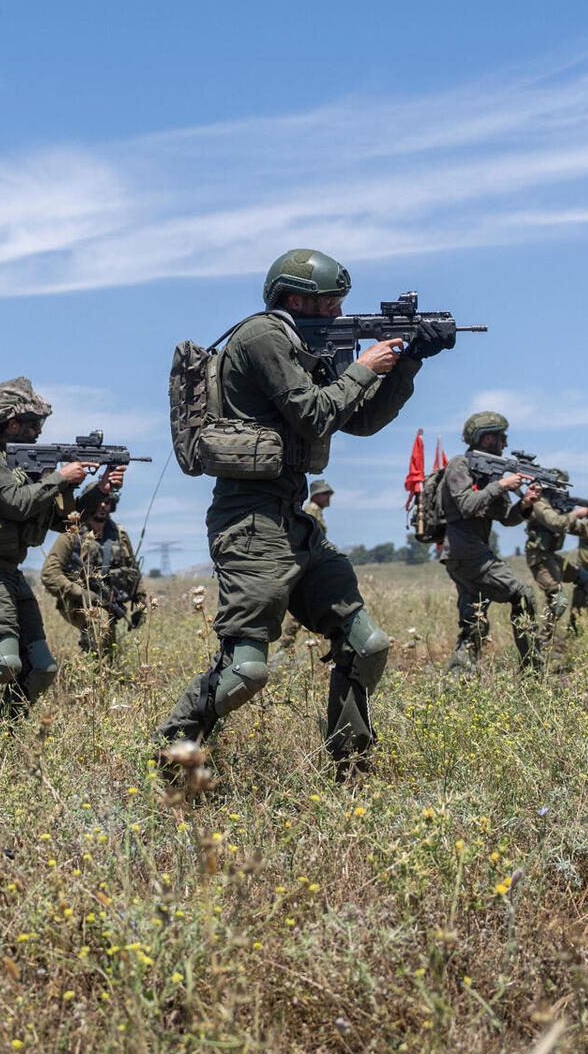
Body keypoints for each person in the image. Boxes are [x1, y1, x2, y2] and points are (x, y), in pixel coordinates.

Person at [156, 249, 451, 776]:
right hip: (249, 522)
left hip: (292, 518)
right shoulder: (264, 337)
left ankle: (349, 770)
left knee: (368, 645)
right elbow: (315, 416)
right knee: (244, 671)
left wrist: (407, 364)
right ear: (296, 299)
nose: (339, 315)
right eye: (332, 305)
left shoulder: (301, 344)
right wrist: (363, 367)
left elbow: (357, 422)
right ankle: (173, 753)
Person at [0, 378, 119, 726]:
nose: (38, 431)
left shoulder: (24, 469)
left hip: (7, 572)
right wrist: (61, 478)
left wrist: (99, 489)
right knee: (4, 662)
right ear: (10, 422)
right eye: (33, 423)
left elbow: (62, 521)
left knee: (43, 668)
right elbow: (16, 504)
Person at [438, 411, 545, 672]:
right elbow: (466, 505)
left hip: (467, 554)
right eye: (501, 437)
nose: (505, 444)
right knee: (523, 596)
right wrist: (502, 485)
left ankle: (458, 680)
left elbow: (506, 518)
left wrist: (526, 502)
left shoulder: (490, 474)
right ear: (487, 439)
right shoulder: (460, 465)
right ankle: (533, 670)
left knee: (474, 620)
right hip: (467, 553)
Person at [40, 479, 145, 656]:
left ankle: (103, 674)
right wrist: (82, 593)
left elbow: (133, 570)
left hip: (111, 601)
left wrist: (141, 605)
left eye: (108, 501)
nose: (103, 505)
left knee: (109, 648)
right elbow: (49, 573)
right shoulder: (72, 535)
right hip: (77, 602)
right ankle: (90, 673)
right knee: (99, 625)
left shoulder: (120, 535)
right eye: (99, 501)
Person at [521, 473, 588, 646]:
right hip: (539, 557)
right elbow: (557, 523)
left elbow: (572, 527)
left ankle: (575, 629)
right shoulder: (539, 503)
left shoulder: (555, 506)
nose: (564, 491)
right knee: (557, 599)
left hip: (551, 556)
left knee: (586, 579)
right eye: (560, 487)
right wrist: (575, 513)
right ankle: (544, 643)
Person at [276, 478, 335, 652]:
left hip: (312, 563)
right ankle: (285, 647)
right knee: (304, 607)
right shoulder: (311, 511)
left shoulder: (315, 511)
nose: (329, 497)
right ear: (316, 495)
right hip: (309, 565)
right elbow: (311, 539)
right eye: (325, 493)